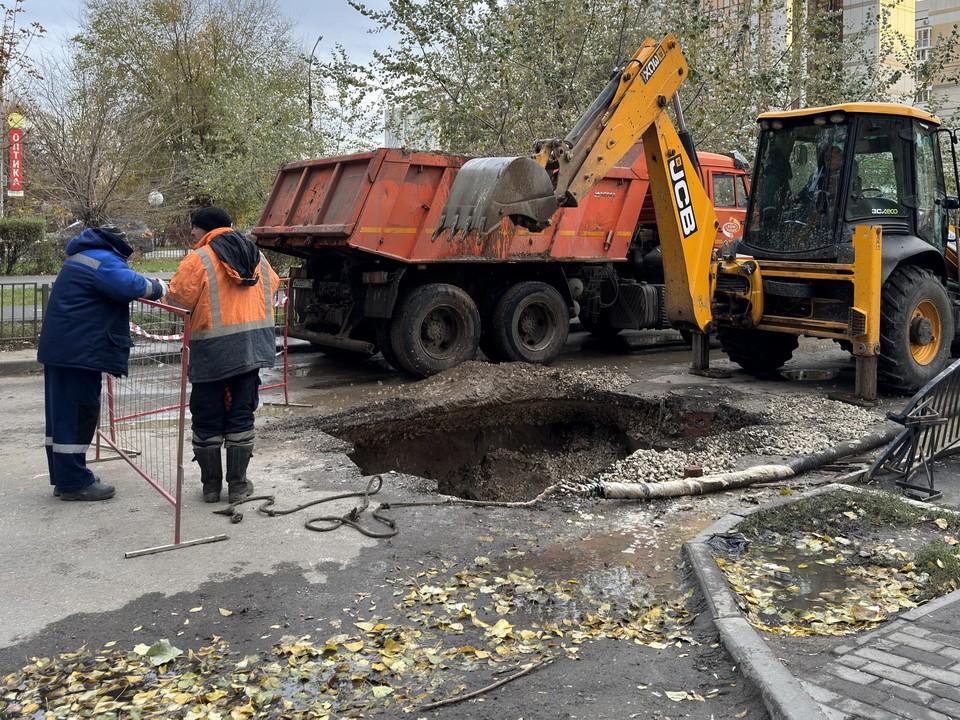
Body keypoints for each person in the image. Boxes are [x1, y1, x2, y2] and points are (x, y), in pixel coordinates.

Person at [37, 225, 167, 501]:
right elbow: (131, 285)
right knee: (78, 415)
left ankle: (65, 478)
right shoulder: (103, 260)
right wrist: (160, 286)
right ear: (117, 244)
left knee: (62, 417)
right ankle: (74, 482)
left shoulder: (84, 254)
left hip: (67, 348)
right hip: (78, 352)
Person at [165, 207, 280, 503]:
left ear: (206, 229)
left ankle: (212, 487)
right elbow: (274, 286)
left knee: (206, 417)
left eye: (194, 227)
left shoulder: (199, 259)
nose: (191, 233)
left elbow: (176, 298)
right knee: (241, 413)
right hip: (251, 349)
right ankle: (239, 487)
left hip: (212, 352)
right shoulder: (257, 257)